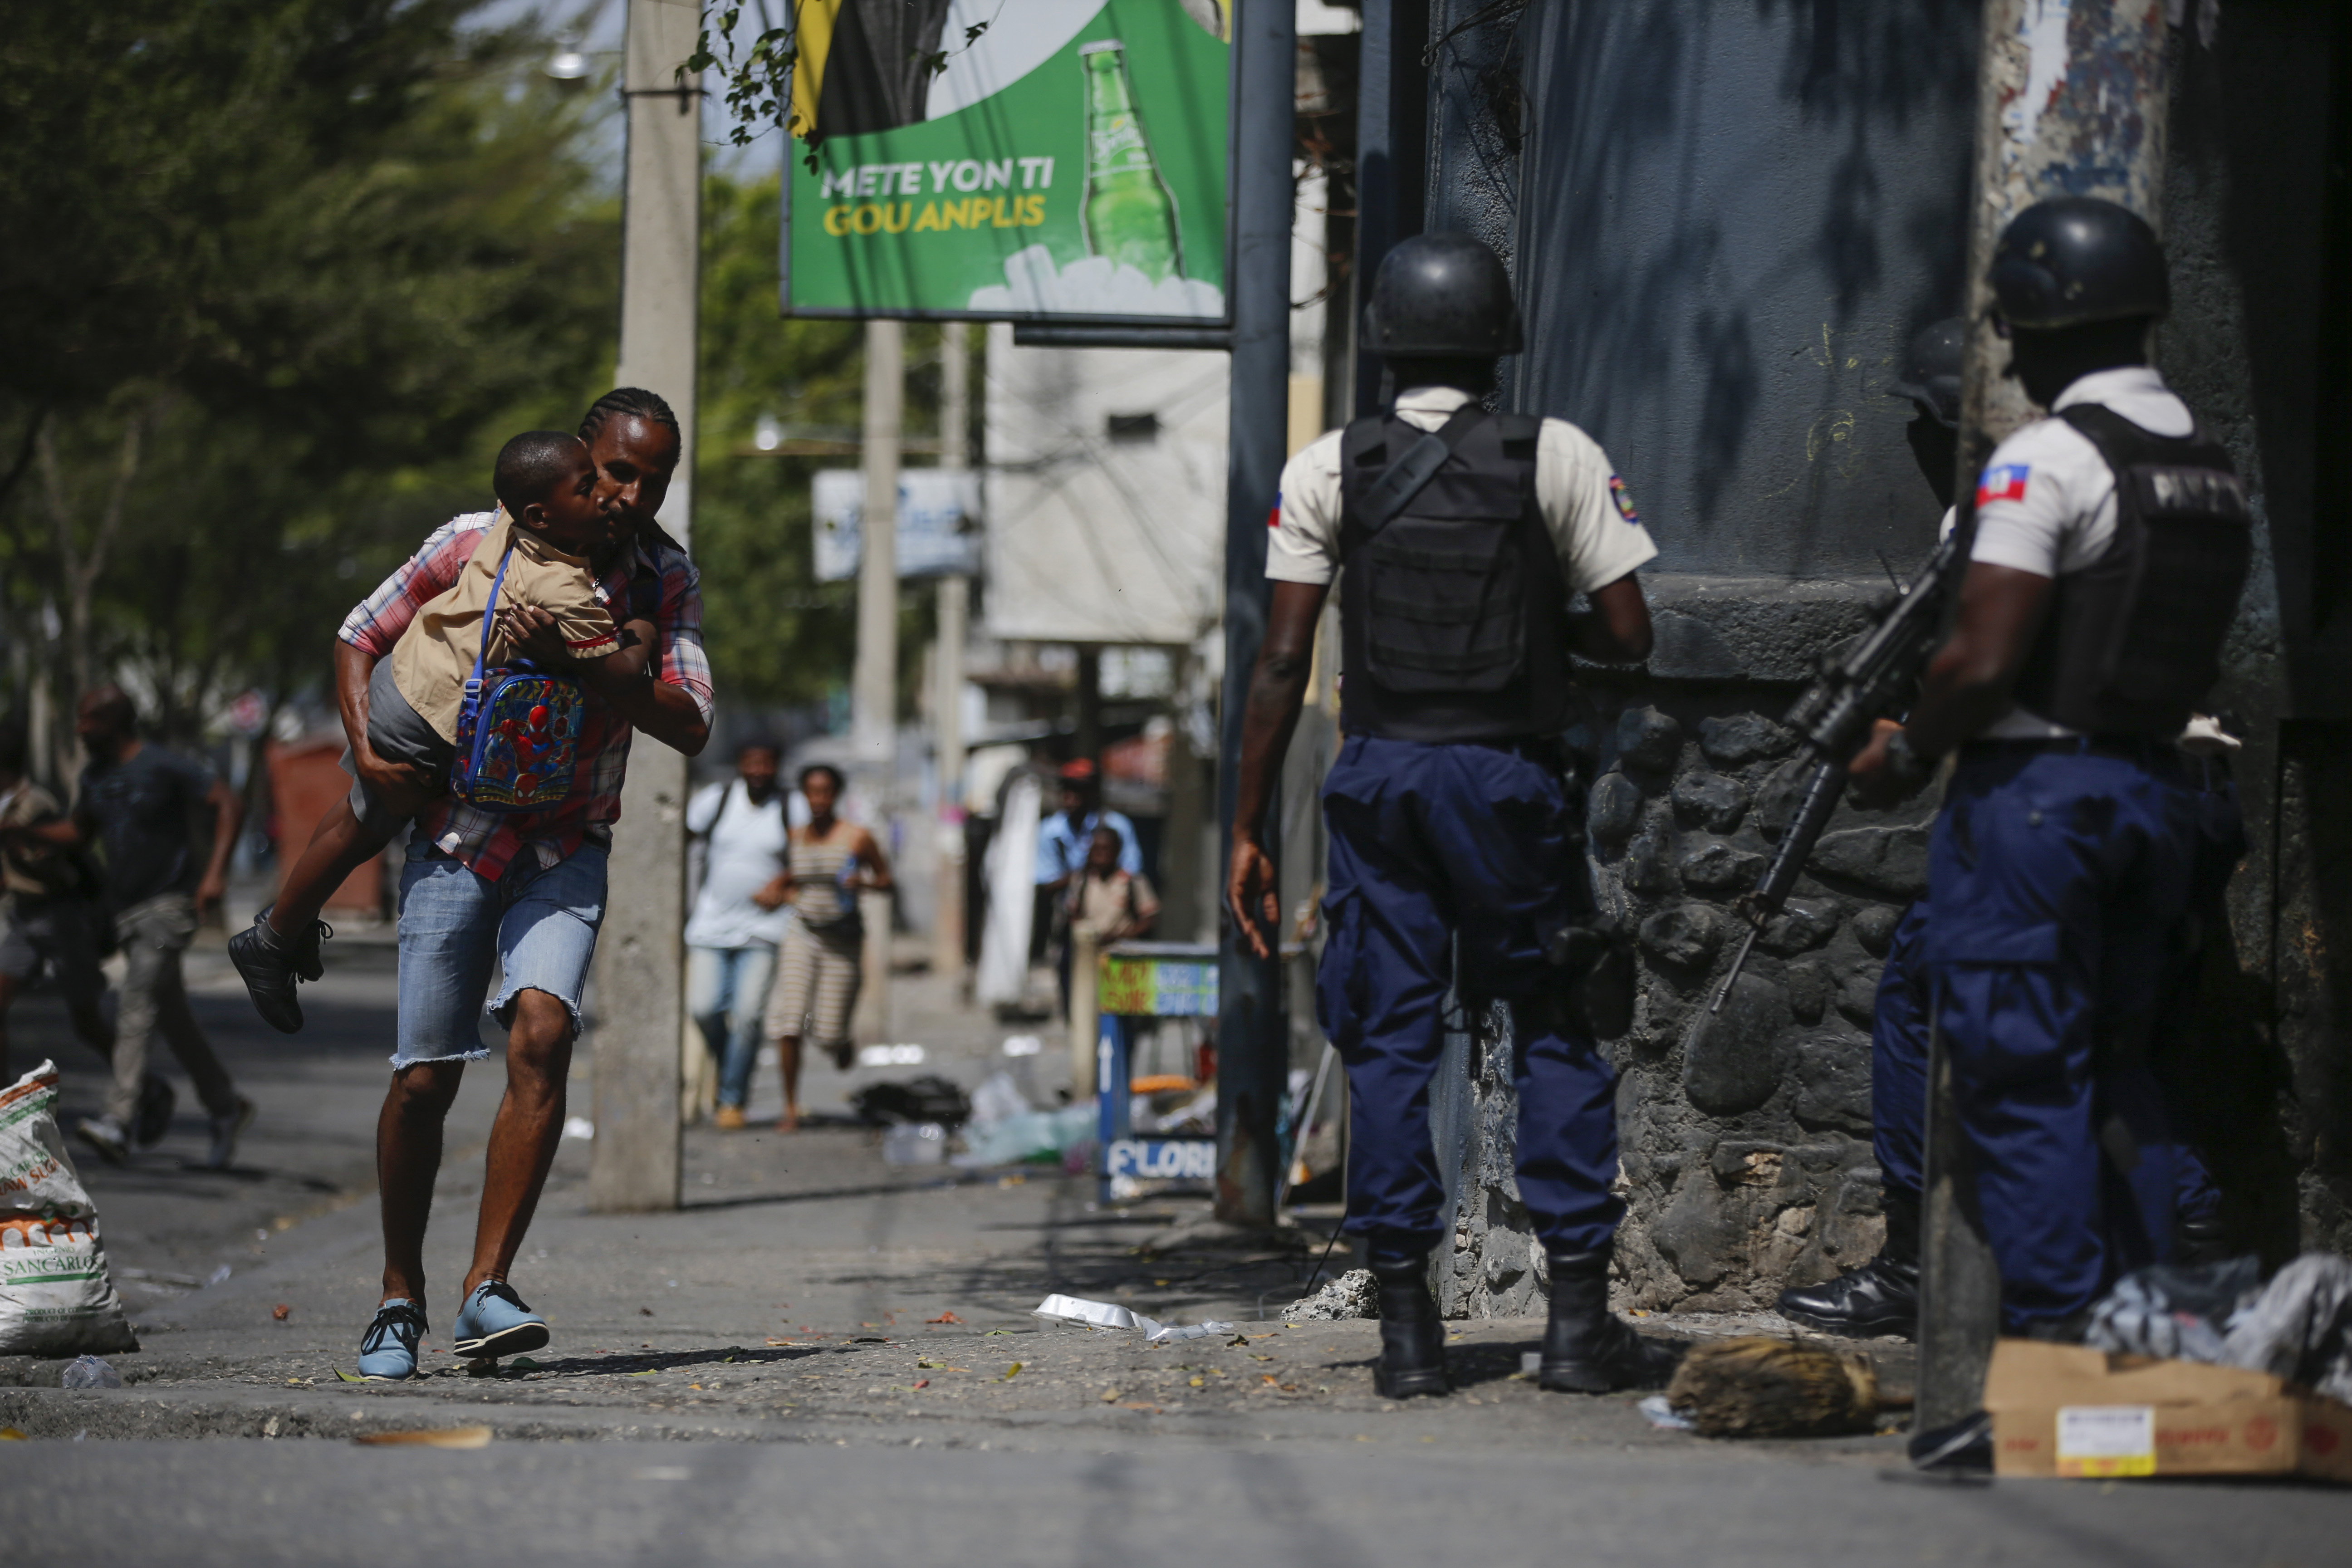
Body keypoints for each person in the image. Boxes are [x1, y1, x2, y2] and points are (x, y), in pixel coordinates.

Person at [1227, 232, 1673, 1398]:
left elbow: (1280, 660)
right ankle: (1576, 1324)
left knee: (1387, 1034)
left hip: (1379, 778)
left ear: (1379, 340)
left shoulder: (1328, 466)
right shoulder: (1557, 455)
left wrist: (1247, 828)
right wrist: (1541, 634)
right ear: (1497, 339)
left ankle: (1408, 1338)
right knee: (1550, 1020)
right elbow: (1630, 632)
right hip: (1507, 781)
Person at [1843, 198, 2251, 1339]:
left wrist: (1904, 748)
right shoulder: (2204, 467)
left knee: (2023, 1090)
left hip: (2039, 802)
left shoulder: (2048, 458)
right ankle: (2139, 1351)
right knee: (2118, 1078)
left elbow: (1980, 657)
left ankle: (2057, 1360)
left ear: (2034, 322)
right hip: (2155, 794)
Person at [327, 388, 713, 1381]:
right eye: (617, 471)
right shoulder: (474, 541)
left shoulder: (664, 578)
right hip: (459, 835)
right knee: (425, 1079)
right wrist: (368, 753)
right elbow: (361, 631)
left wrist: (589, 667)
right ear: (578, 462)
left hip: (567, 841)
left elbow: (689, 715)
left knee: (544, 1032)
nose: (632, 493)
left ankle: (485, 1289)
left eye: (652, 478)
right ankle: (398, 1295)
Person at [228, 431, 652, 1034]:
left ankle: (283, 927)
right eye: (589, 487)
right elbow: (621, 672)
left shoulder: (507, 529)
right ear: (542, 513)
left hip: (403, 683)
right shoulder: (564, 588)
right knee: (367, 821)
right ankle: (271, 939)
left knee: (362, 813)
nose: (606, 497)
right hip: (431, 721)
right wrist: (644, 625)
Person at [21, 688, 254, 1168]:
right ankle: (227, 1107)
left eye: (89, 720)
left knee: (135, 1003)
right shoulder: (95, 777)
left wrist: (215, 873)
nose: (81, 729)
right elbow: (79, 833)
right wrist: (26, 833)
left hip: (169, 905)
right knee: (174, 1020)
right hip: (125, 912)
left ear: (115, 722)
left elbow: (226, 802)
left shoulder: (165, 766)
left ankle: (119, 1118)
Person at [762, 763, 891, 1132]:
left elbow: (886, 880)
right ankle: (790, 1106)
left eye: (825, 792)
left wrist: (864, 883)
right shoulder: (796, 837)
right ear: (805, 795)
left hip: (843, 940)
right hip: (803, 933)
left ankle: (841, 1044)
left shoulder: (857, 838)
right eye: (812, 792)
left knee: (829, 1033)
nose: (818, 799)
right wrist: (776, 889)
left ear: (836, 795)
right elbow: (794, 876)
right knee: (790, 1020)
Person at [0, 730, 124, 1097]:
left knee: (87, 1022)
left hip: (58, 917)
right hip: (24, 918)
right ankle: (7, 1102)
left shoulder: (34, 804)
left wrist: (19, 841)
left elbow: (51, 863)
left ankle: (143, 1087)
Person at [685, 739, 799, 1129]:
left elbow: (812, 853)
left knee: (749, 1016)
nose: (758, 772)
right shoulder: (715, 802)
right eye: (751, 763)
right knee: (703, 1009)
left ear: (777, 766)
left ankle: (731, 1099)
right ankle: (727, 1065)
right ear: (740, 765)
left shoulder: (790, 807)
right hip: (710, 926)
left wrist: (783, 882)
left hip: (764, 930)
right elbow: (677, 840)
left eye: (766, 764)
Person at [1036, 760, 1140, 1018]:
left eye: (1078, 791)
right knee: (1075, 989)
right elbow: (1045, 882)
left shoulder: (1117, 826)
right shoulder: (1051, 831)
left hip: (1116, 922)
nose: (1071, 798)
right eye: (1066, 790)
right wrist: (1082, 875)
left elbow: (1132, 875)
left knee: (1117, 996)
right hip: (1076, 924)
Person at [1066, 823, 1159, 949]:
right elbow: (1072, 913)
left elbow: (1149, 918)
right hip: (1089, 950)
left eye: (1105, 849)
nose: (1100, 855)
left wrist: (1124, 935)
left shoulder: (1132, 881)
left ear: (1117, 850)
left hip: (1122, 952)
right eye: (1096, 849)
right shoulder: (1082, 881)